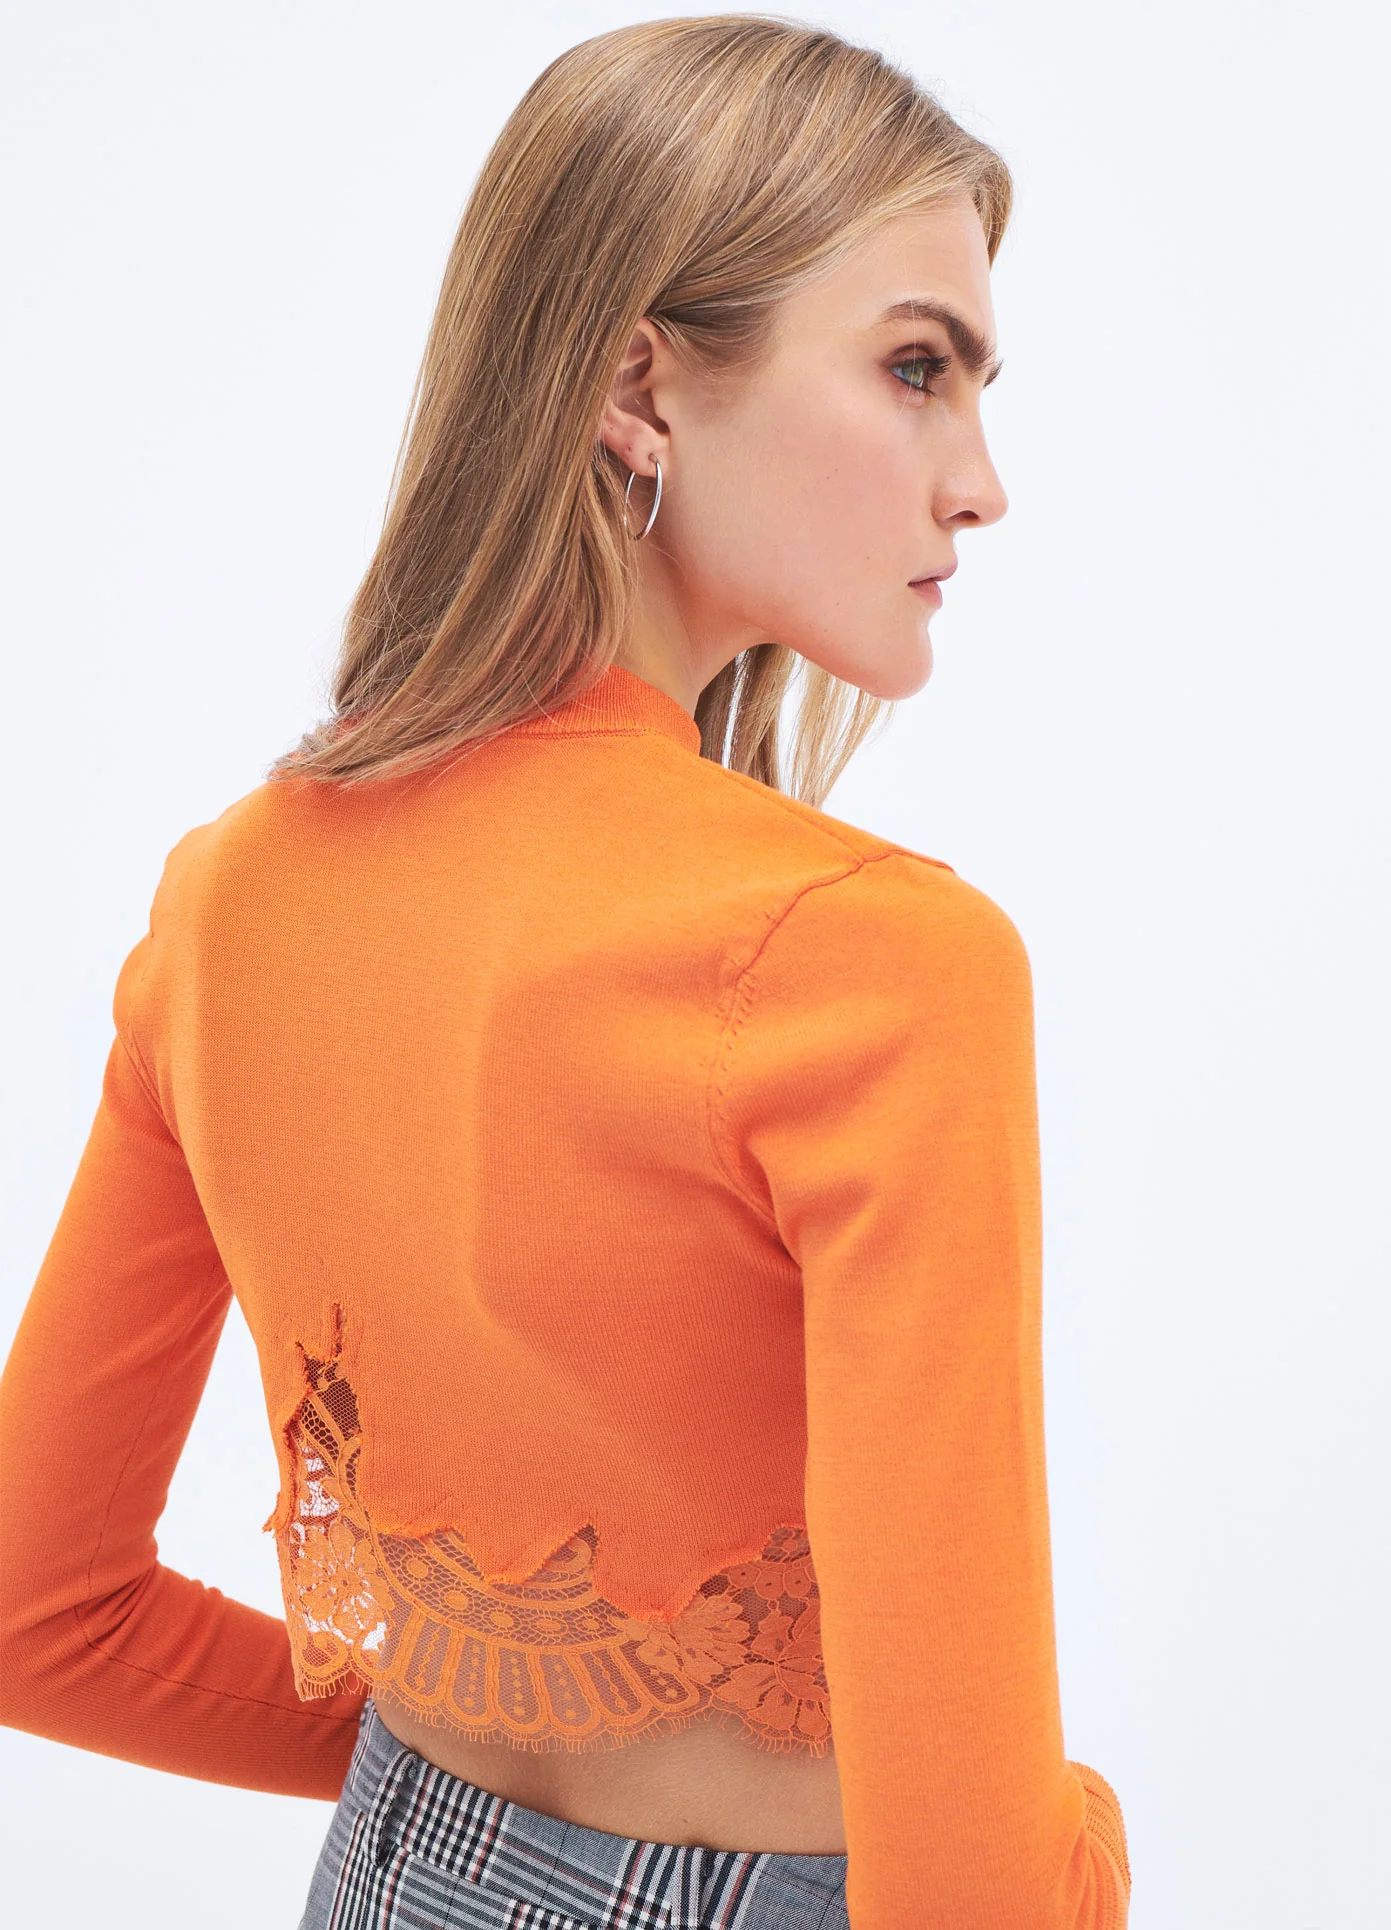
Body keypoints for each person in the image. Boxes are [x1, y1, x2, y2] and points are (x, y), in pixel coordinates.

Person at [0, 15, 1132, 1929]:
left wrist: (469, 1791)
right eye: (914, 368)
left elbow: (38, 1613)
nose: (979, 483)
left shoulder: (228, 898)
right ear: (636, 384)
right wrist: (1074, 1838)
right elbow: (970, 1897)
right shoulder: (872, 962)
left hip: (381, 1871)